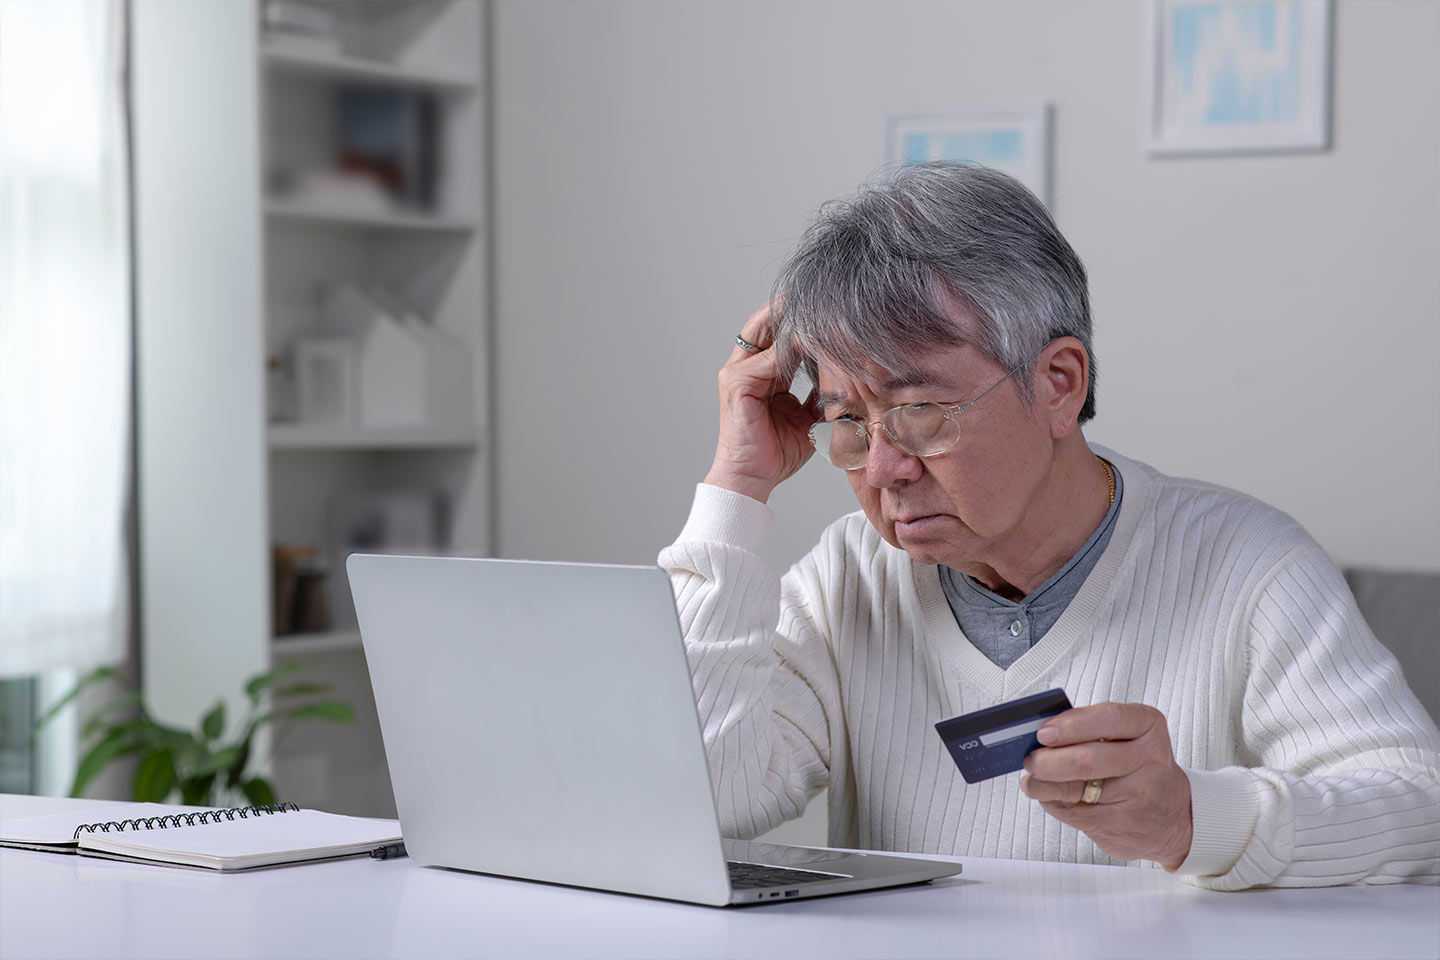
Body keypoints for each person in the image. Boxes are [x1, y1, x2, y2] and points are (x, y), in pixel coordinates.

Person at [659, 162, 1440, 890]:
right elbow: (702, 795)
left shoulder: (1250, 567)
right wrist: (737, 485)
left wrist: (1189, 818)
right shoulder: (850, 576)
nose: (885, 468)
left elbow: (1418, 812)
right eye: (849, 422)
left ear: (1059, 385)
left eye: (921, 410)